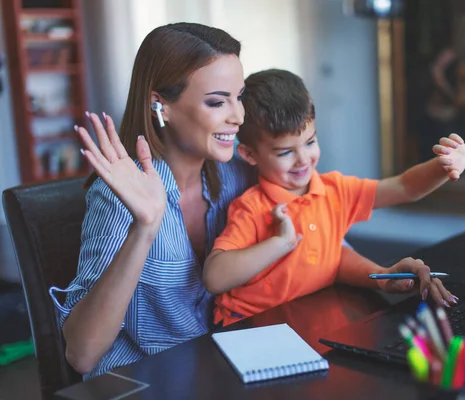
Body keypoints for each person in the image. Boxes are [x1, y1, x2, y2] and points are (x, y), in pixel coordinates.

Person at [48, 23, 443, 380]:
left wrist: (383, 274)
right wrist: (145, 227)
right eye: (217, 102)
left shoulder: (241, 171)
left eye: (238, 97)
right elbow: (82, 355)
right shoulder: (117, 198)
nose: (238, 116)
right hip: (146, 378)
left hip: (221, 361)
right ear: (160, 106)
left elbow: (317, 237)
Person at [203, 69, 465, 327]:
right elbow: (214, 278)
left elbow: (404, 187)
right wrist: (280, 243)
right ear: (249, 155)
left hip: (305, 318)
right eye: (285, 152)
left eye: (310, 142)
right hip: (246, 326)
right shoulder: (252, 207)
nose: (303, 160)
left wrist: (444, 166)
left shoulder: (335, 190)